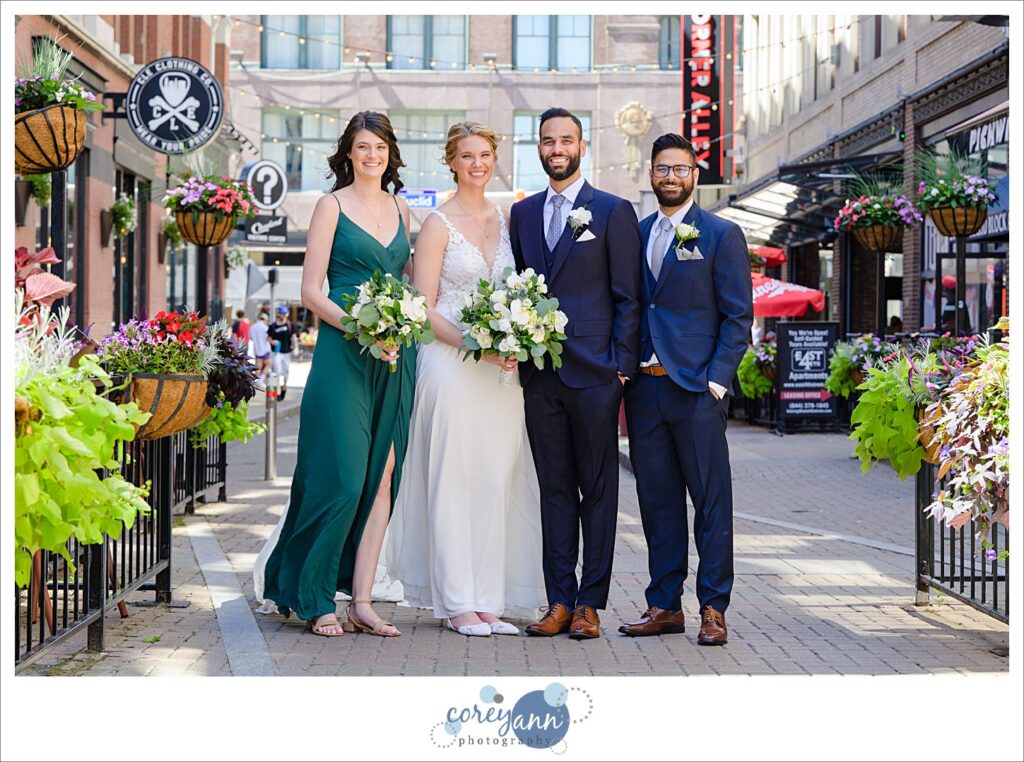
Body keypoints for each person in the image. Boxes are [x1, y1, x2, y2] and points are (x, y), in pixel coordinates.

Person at [258, 111, 415, 638]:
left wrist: (401, 327)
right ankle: (314, 595)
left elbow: (410, 284)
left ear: (391, 152)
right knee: (344, 479)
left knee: (382, 477)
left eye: (380, 146)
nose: (372, 155)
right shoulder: (331, 205)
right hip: (344, 351)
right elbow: (310, 291)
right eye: (363, 146)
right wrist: (362, 328)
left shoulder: (401, 207)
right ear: (348, 152)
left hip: (395, 356)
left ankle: (362, 600)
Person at [385, 122, 546, 637]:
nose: (477, 163)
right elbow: (423, 307)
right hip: (451, 366)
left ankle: (487, 600)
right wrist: (477, 344)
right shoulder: (437, 224)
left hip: (500, 374)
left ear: (494, 159)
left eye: (485, 154)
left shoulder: (506, 219)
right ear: (451, 161)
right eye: (467, 155)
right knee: (455, 479)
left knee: (497, 478)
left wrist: (514, 339)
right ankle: (456, 602)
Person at [508, 107, 642, 640]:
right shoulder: (522, 215)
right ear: (538, 148)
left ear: (583, 147)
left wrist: (622, 368)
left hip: (596, 375)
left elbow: (629, 296)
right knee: (555, 491)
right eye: (547, 140)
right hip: (541, 377)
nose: (556, 148)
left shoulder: (612, 210)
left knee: (599, 490)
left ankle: (591, 602)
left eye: (566, 139)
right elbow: (521, 289)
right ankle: (559, 600)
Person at [619, 133, 753, 644]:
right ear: (650, 175)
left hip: (697, 390)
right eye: (661, 169)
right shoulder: (636, 234)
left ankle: (713, 608)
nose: (670, 176)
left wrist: (716, 383)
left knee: (710, 501)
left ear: (694, 175)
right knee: (658, 503)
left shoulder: (720, 233)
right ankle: (664, 605)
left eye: (679, 168)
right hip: (646, 392)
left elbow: (739, 315)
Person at [268, 306, 296, 401]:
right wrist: (272, 342)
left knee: (286, 372)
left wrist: (296, 347)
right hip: (276, 352)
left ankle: (284, 387)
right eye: (282, 314)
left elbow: (294, 337)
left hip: (287, 352)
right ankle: (278, 392)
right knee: (277, 371)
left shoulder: (289, 325)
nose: (283, 316)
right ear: (278, 314)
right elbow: (269, 337)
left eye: (285, 314)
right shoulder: (273, 326)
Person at [249, 313, 272, 382]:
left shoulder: (253, 327)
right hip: (265, 349)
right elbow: (268, 338)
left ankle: (257, 379)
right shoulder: (266, 327)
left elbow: (251, 337)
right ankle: (262, 378)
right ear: (265, 319)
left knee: (258, 366)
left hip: (257, 349)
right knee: (268, 364)